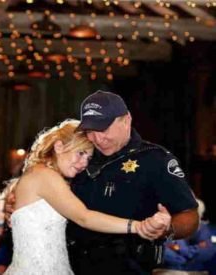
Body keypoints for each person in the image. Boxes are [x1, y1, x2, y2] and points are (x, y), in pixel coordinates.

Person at [4, 119, 170, 275]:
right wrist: (139, 226)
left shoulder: (46, 177)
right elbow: (84, 217)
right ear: (59, 147)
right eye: (80, 153)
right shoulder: (43, 175)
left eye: (88, 158)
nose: (84, 163)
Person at [66, 90, 199, 274]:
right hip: (71, 267)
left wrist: (166, 229)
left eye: (103, 129)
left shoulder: (155, 160)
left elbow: (190, 216)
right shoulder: (78, 156)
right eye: (90, 131)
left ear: (126, 120)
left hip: (129, 268)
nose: (97, 139)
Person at [153, 198, 216, 275]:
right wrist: (190, 252)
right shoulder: (169, 227)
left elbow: (207, 251)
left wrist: (180, 249)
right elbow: (163, 251)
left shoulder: (205, 230)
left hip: (196, 270)